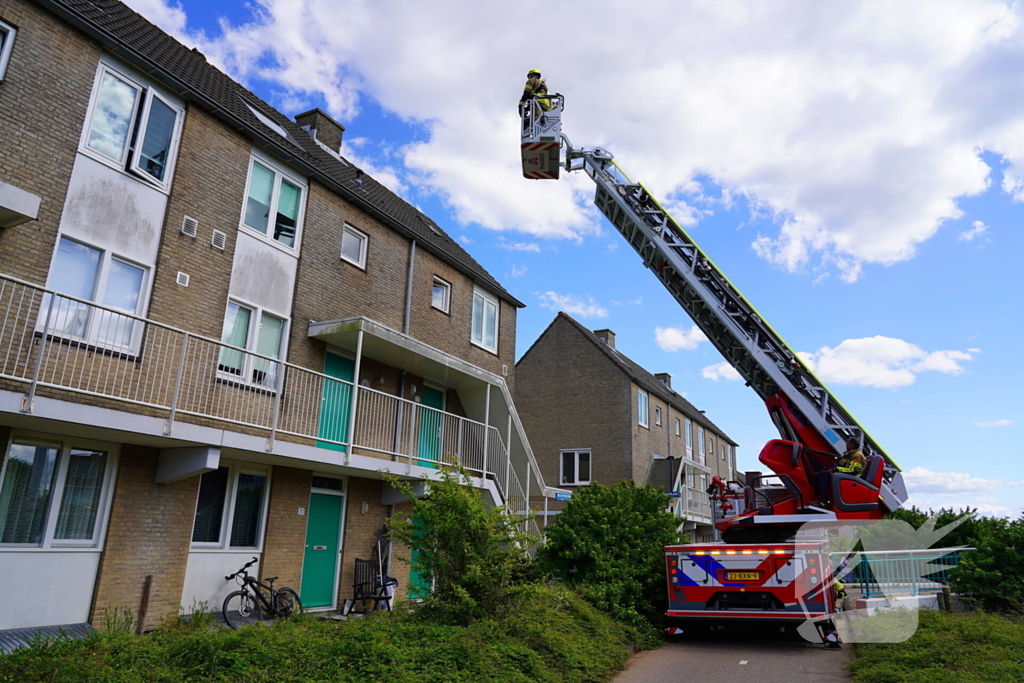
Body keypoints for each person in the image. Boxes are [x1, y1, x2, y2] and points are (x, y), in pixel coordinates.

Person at [811, 437, 867, 506]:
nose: (846, 445)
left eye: (847, 443)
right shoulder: (849, 454)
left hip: (850, 479)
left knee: (823, 473)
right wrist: (833, 469)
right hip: (843, 476)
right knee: (817, 475)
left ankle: (823, 501)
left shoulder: (857, 455)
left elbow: (852, 470)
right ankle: (817, 498)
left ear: (851, 445)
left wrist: (835, 469)